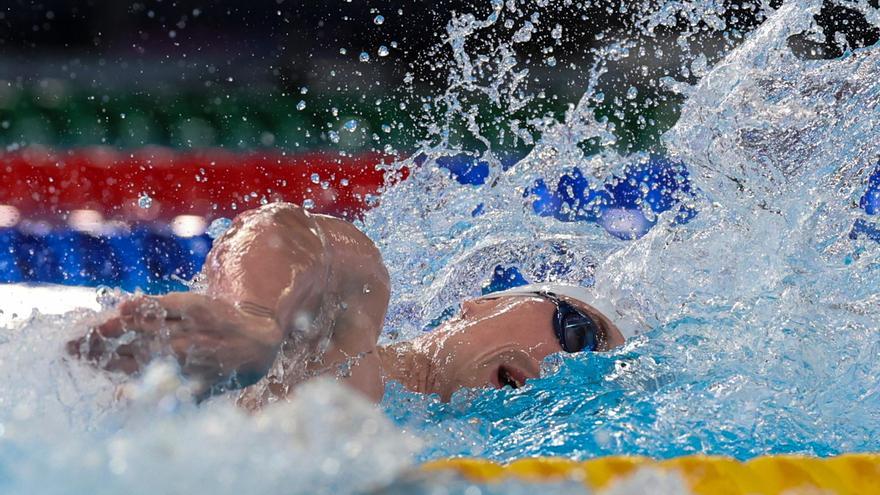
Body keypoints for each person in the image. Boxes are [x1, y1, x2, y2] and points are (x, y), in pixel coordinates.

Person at [67, 203, 627, 407]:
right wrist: (257, 322)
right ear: (479, 304)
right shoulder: (344, 341)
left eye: (596, 376)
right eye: (577, 332)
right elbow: (286, 231)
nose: (572, 368)